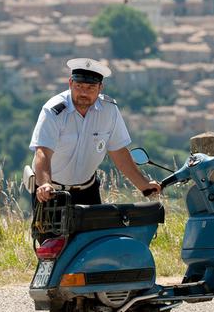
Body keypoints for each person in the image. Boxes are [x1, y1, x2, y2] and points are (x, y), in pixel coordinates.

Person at [28, 57, 161, 206]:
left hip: (88, 190)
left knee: (96, 230)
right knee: (47, 230)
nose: (84, 92)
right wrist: (45, 184)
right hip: (52, 192)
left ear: (100, 88)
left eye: (90, 87)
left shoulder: (109, 110)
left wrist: (144, 185)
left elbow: (119, 152)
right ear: (70, 83)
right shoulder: (54, 111)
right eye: (79, 86)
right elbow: (43, 152)